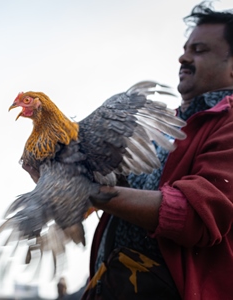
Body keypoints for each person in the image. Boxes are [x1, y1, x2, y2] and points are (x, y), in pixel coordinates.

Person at [19, 2, 233, 299]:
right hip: (116, 284)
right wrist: (63, 191)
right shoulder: (164, 125)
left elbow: (196, 214)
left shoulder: (228, 123)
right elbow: (120, 197)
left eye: (200, 50)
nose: (183, 57)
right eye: (185, 49)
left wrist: (89, 190)